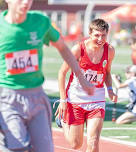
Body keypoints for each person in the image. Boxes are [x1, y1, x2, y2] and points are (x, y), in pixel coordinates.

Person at [0, 0, 94, 152]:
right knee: (15, 148)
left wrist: (81, 77)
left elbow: (63, 47)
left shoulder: (40, 21)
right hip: (7, 98)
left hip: (36, 98)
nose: (26, 2)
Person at [55, 18, 117, 151]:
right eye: (97, 35)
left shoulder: (110, 51)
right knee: (76, 144)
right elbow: (62, 73)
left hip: (97, 99)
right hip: (76, 98)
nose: (100, 39)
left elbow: (107, 72)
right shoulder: (78, 49)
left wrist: (110, 89)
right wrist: (63, 100)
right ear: (90, 34)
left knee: (93, 142)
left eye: (104, 35)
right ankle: (64, 122)